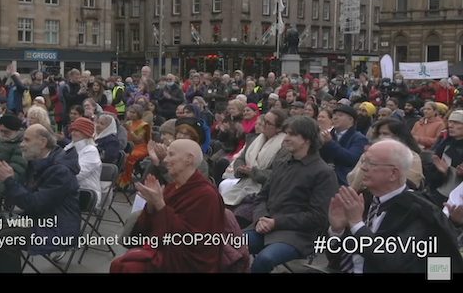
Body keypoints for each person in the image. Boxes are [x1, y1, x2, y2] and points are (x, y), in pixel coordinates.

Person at [326, 139, 463, 273]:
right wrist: (337, 231)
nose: (363, 168)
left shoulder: (419, 211)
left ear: (393, 173)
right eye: (363, 161)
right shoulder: (363, 200)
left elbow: (392, 260)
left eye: (371, 164)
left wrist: (357, 225)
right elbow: (336, 259)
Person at [111, 140, 226, 273]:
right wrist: (151, 206)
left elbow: (193, 240)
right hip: (164, 250)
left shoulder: (207, 195)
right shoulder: (172, 187)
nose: (165, 160)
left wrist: (160, 205)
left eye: (171, 155)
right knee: (120, 264)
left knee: (125, 267)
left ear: (189, 159)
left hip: (186, 262)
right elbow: (151, 228)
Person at [246, 116, 339, 273]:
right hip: (265, 227)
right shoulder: (282, 163)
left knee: (264, 259)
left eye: (292, 134)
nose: (286, 138)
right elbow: (262, 197)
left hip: (296, 236)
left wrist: (276, 222)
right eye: (286, 133)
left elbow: (318, 216)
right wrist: (261, 219)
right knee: (229, 245)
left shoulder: (323, 173)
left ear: (307, 139)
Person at [0, 124, 80, 273]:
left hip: (58, 228)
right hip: (40, 219)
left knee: (6, 239)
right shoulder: (37, 163)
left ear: (42, 143)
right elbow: (28, 196)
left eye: (26, 140)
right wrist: (9, 181)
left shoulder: (60, 170)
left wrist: (9, 181)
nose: (21, 144)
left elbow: (35, 203)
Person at [0, 114, 27, 207]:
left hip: (0, 188)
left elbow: (15, 172)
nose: (2, 134)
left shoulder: (20, 146)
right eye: (1, 131)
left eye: (6, 132)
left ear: (16, 131)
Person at [67, 117, 102, 209]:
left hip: (86, 193)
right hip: (68, 189)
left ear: (85, 133)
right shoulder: (69, 148)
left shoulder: (91, 150)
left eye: (76, 130)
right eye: (72, 130)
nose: (72, 133)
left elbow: (78, 174)